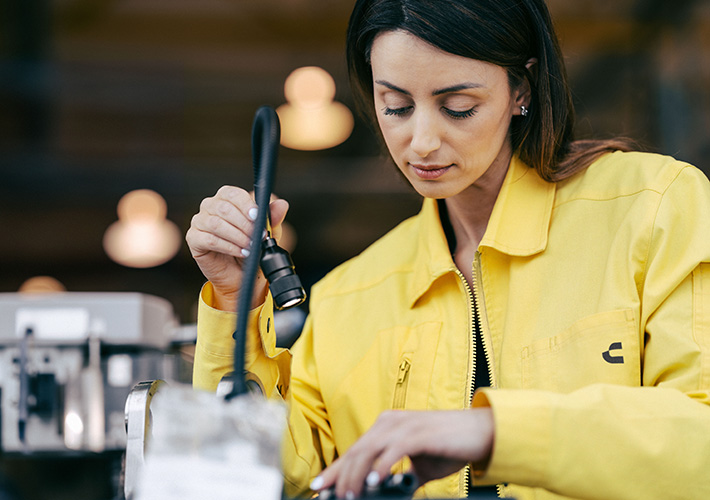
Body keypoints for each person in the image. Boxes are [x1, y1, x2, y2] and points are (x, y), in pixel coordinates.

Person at [186, 0, 710, 498]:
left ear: (521, 88)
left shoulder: (655, 208)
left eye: (457, 107)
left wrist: (492, 432)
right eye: (395, 106)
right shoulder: (348, 296)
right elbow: (250, 480)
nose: (421, 142)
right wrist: (236, 303)